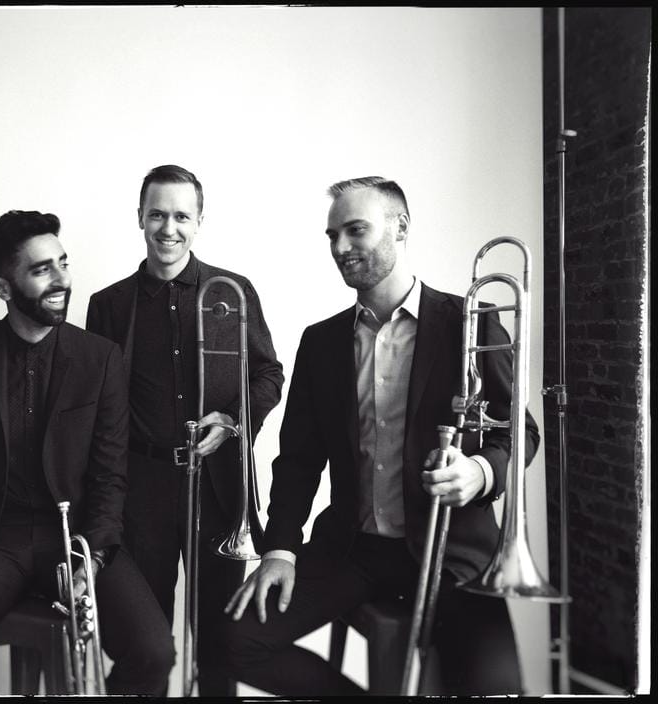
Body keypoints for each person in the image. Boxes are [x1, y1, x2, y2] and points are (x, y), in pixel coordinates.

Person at [222, 177, 540, 695]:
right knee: (237, 640)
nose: (341, 248)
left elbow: (520, 431)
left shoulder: (470, 322)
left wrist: (478, 473)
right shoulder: (321, 342)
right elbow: (299, 459)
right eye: (332, 235)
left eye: (355, 230)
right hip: (355, 549)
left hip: (450, 548)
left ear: (401, 227)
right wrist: (280, 549)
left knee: (498, 687)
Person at [0, 209, 174, 695]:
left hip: (78, 541)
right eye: (41, 269)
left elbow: (111, 474)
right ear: (2, 288)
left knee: (155, 653)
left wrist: (91, 561)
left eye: (62, 263)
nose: (61, 279)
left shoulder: (100, 357)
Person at [86, 165, 284, 696]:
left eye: (180, 216)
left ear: (199, 221)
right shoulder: (108, 305)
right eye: (157, 214)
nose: (168, 228)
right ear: (139, 219)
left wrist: (236, 419)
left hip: (217, 487)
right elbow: (95, 406)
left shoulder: (232, 292)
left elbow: (268, 375)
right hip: (140, 488)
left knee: (220, 643)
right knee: (142, 644)